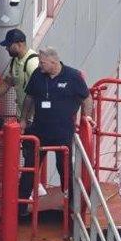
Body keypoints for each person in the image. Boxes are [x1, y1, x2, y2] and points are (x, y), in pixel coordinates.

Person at [18, 46, 94, 204]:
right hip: (40, 131)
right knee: (29, 170)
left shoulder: (73, 76)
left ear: (53, 61)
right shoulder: (38, 75)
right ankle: (21, 207)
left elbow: (87, 98)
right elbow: (29, 98)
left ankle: (73, 206)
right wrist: (24, 119)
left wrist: (87, 117)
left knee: (65, 169)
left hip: (63, 132)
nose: (40, 65)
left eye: (43, 62)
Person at [0, 29, 39, 118]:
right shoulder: (15, 60)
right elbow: (7, 83)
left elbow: (40, 93)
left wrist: (27, 119)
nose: (6, 48)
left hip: (32, 119)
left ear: (20, 44)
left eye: (9, 45)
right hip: (21, 116)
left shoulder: (32, 63)